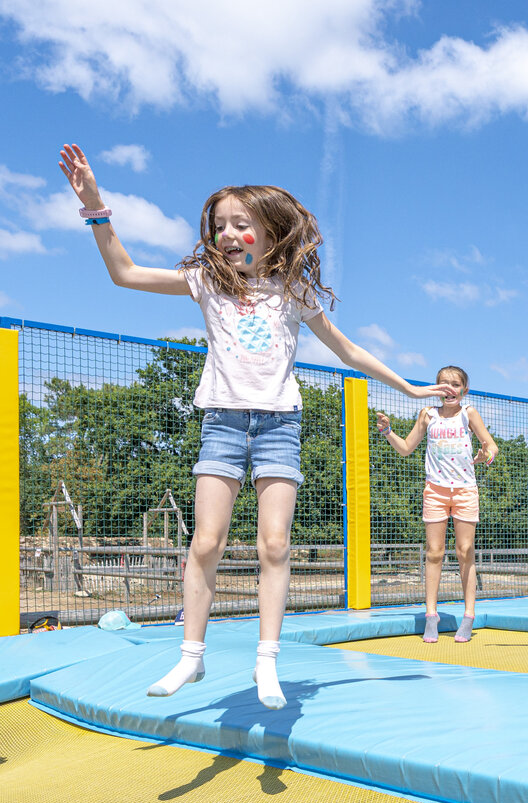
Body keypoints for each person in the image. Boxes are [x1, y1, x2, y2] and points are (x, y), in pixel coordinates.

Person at [58, 143, 443, 708]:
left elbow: (347, 349)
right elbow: (125, 273)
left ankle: (268, 662)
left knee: (274, 544)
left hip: (280, 425)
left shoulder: (293, 290)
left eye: (243, 224)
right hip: (223, 422)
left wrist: (407, 387)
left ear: (270, 231)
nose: (229, 234)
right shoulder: (205, 282)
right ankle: (191, 657)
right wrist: (97, 207)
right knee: (206, 541)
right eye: (220, 226)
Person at [376, 366, 498, 643]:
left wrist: (485, 456)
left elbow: (491, 446)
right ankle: (432, 615)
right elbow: (406, 448)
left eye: (455, 384)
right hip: (435, 491)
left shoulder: (469, 413)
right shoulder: (427, 415)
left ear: (464, 390)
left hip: (465, 490)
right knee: (434, 552)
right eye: (444, 384)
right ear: (435, 388)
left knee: (465, 550)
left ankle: (468, 616)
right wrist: (387, 432)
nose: (449, 388)